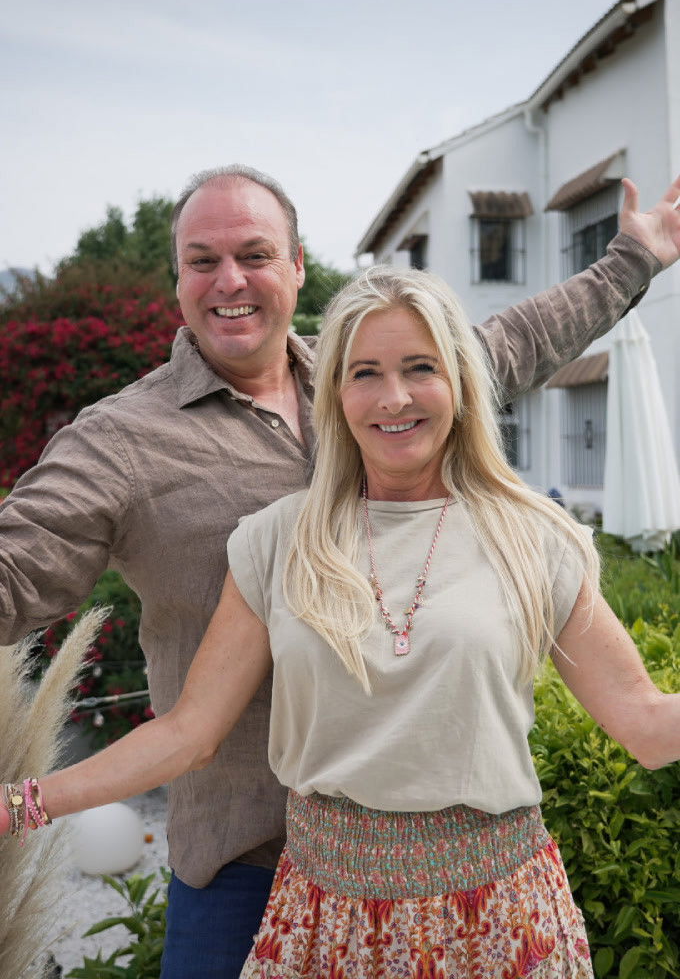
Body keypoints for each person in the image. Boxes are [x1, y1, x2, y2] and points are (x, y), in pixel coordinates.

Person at [0, 164, 679, 979]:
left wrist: (633, 258)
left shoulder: (376, 370)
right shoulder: (130, 447)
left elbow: (518, 339)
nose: (230, 280)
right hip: (253, 862)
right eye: (202, 260)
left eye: (255, 254)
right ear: (176, 279)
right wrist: (20, 804)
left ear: (296, 266)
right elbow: (22, 573)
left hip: (485, 897)